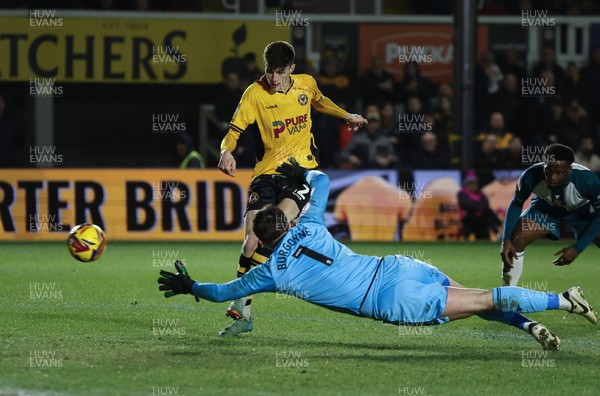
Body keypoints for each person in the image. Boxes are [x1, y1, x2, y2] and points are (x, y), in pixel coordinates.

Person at [158, 164, 598, 351]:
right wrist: (298, 177)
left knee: (484, 299)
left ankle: (564, 300)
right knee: (475, 298)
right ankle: (532, 324)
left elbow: (223, 292)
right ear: (286, 225)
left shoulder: (269, 273)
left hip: (392, 301)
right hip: (397, 265)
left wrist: (189, 286)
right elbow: (323, 178)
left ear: (262, 242)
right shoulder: (308, 225)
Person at [217, 41, 367, 336]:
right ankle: (245, 317)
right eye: (269, 71)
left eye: (279, 71)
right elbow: (232, 133)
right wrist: (226, 152)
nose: (273, 78)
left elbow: (321, 101)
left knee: (271, 230)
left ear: (292, 69)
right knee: (250, 242)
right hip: (265, 174)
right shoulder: (254, 93)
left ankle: (241, 300)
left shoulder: (306, 85)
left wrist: (347, 116)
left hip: (300, 172)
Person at [500, 144, 600, 286]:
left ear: (570, 169)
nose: (552, 177)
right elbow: (517, 203)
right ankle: (507, 295)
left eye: (559, 173)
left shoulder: (589, 181)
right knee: (515, 240)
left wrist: (578, 248)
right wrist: (506, 239)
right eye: (548, 171)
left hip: (581, 212)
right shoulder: (530, 176)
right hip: (546, 209)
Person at [457, 171, 501, 240]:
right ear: (466, 185)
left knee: (488, 214)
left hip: (481, 219)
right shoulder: (462, 194)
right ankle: (497, 231)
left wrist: (478, 208)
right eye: (470, 184)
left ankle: (498, 233)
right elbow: (467, 205)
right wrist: (479, 208)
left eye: (474, 184)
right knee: (486, 214)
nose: (473, 186)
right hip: (468, 219)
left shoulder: (481, 194)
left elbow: (485, 205)